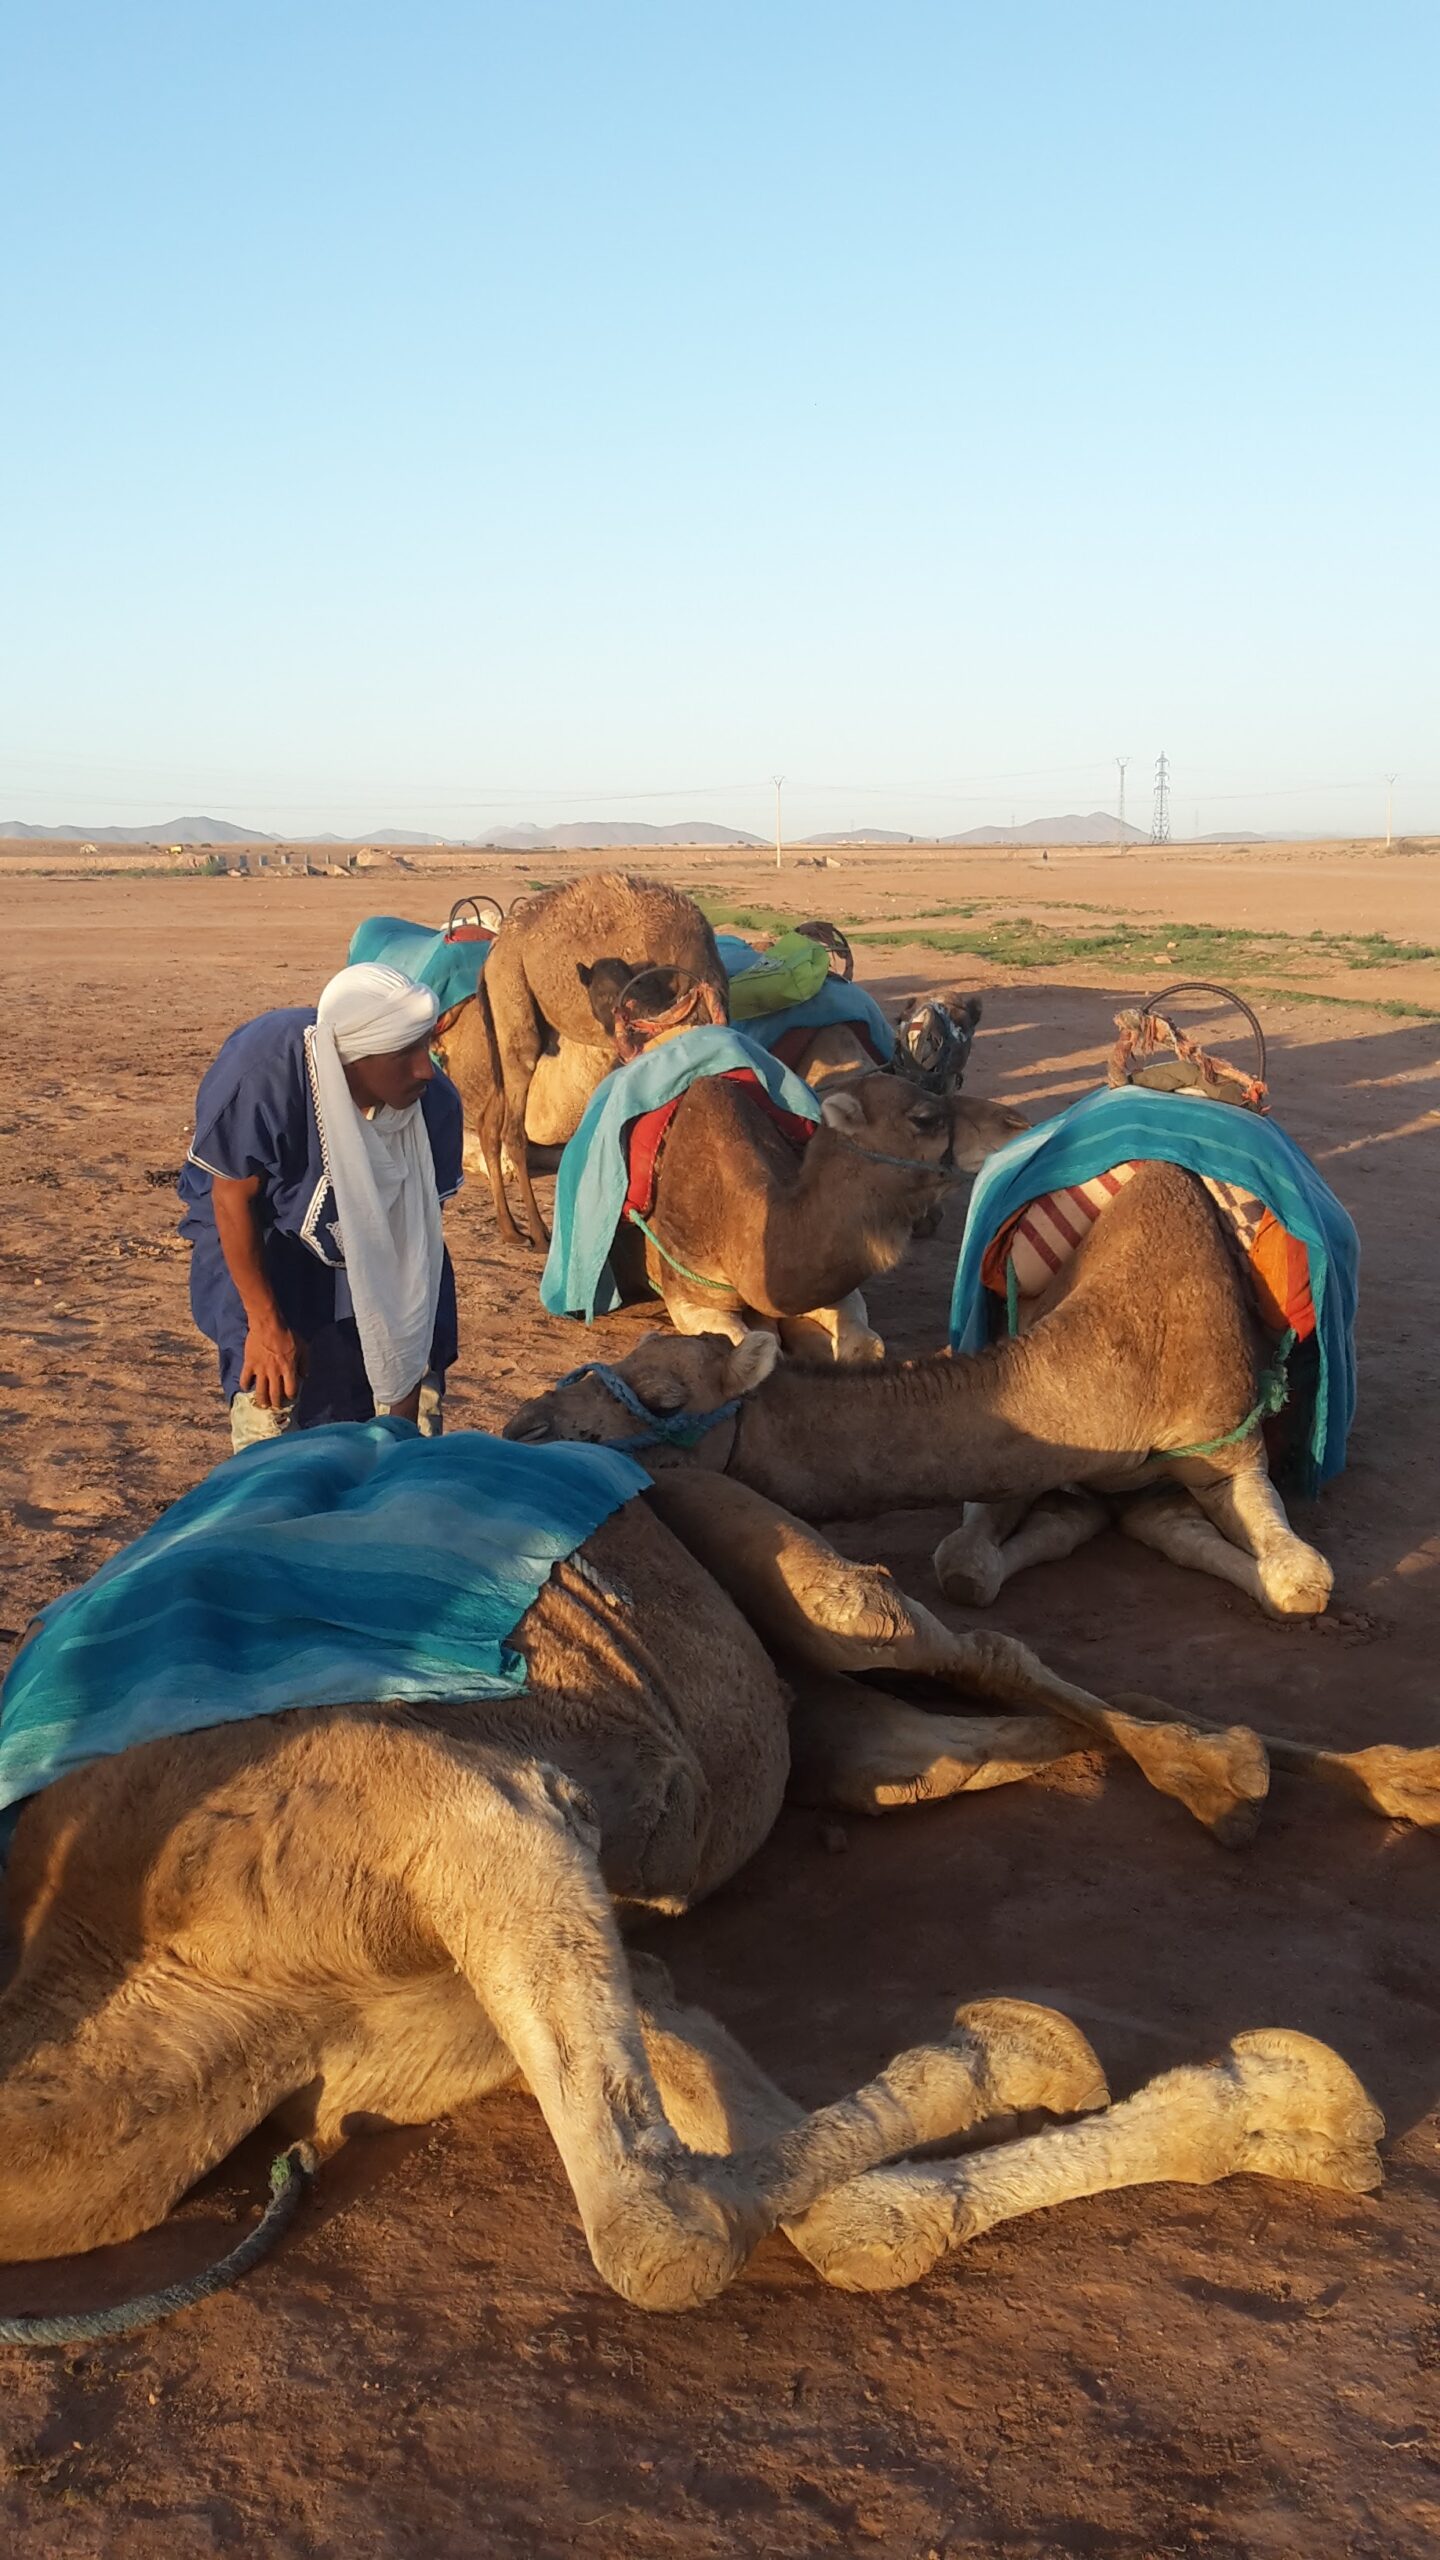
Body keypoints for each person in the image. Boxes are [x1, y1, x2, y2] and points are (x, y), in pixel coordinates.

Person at [179, 962, 464, 1452]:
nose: (424, 1068)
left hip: (385, 1252)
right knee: (271, 1408)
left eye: (426, 1046)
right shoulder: (266, 1073)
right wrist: (266, 1325)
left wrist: (399, 1421)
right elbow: (232, 1198)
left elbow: (413, 1248)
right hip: (266, 1240)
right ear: (350, 1057)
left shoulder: (433, 1104)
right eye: (403, 1053)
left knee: (406, 1431)